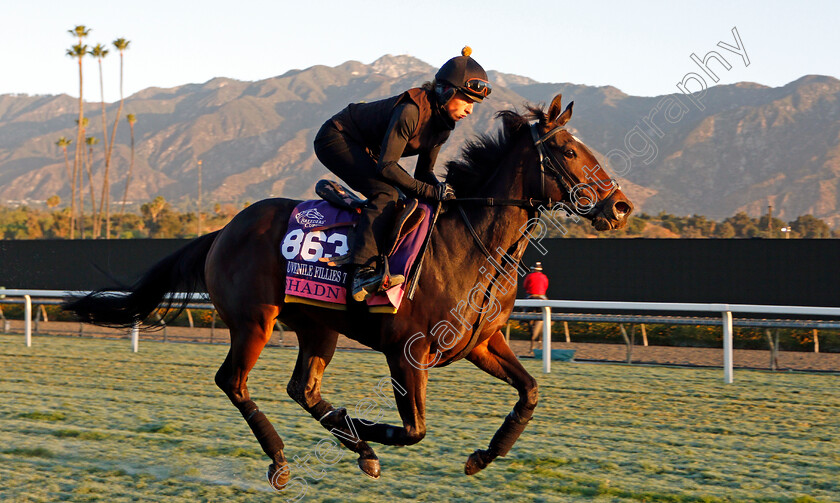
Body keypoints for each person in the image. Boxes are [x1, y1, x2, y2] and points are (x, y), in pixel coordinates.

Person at [314, 47, 492, 302]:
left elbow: (424, 173)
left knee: (409, 196)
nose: (470, 110)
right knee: (386, 193)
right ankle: (361, 272)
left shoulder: (444, 127)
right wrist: (430, 191)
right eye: (467, 100)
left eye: (474, 104)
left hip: (367, 149)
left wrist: (443, 192)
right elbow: (387, 167)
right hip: (336, 137)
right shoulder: (411, 110)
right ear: (446, 91)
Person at [523, 262, 549, 353]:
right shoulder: (544, 277)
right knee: (548, 310)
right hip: (542, 297)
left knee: (524, 305)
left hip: (531, 296)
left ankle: (523, 319)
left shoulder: (529, 276)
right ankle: (550, 319)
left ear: (533, 269)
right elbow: (545, 287)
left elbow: (525, 286)